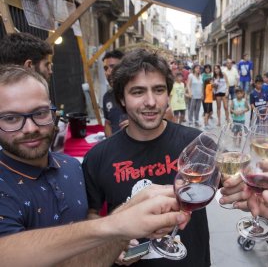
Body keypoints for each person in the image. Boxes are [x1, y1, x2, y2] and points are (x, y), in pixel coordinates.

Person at [0, 65, 190, 266]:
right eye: (11, 118)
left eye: (40, 113)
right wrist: (117, 223)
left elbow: (91, 231)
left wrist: (112, 245)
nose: (30, 128)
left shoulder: (71, 166)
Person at [82, 49, 211, 267]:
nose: (150, 101)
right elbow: (91, 215)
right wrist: (111, 242)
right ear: (122, 98)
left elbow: (229, 186)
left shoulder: (196, 144)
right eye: (138, 92)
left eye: (158, 90)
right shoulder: (97, 157)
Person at [102, 50, 128, 137]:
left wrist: (137, 127)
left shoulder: (139, 94)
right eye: (105, 68)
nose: (108, 72)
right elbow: (108, 123)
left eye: (113, 66)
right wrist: (109, 145)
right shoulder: (107, 97)